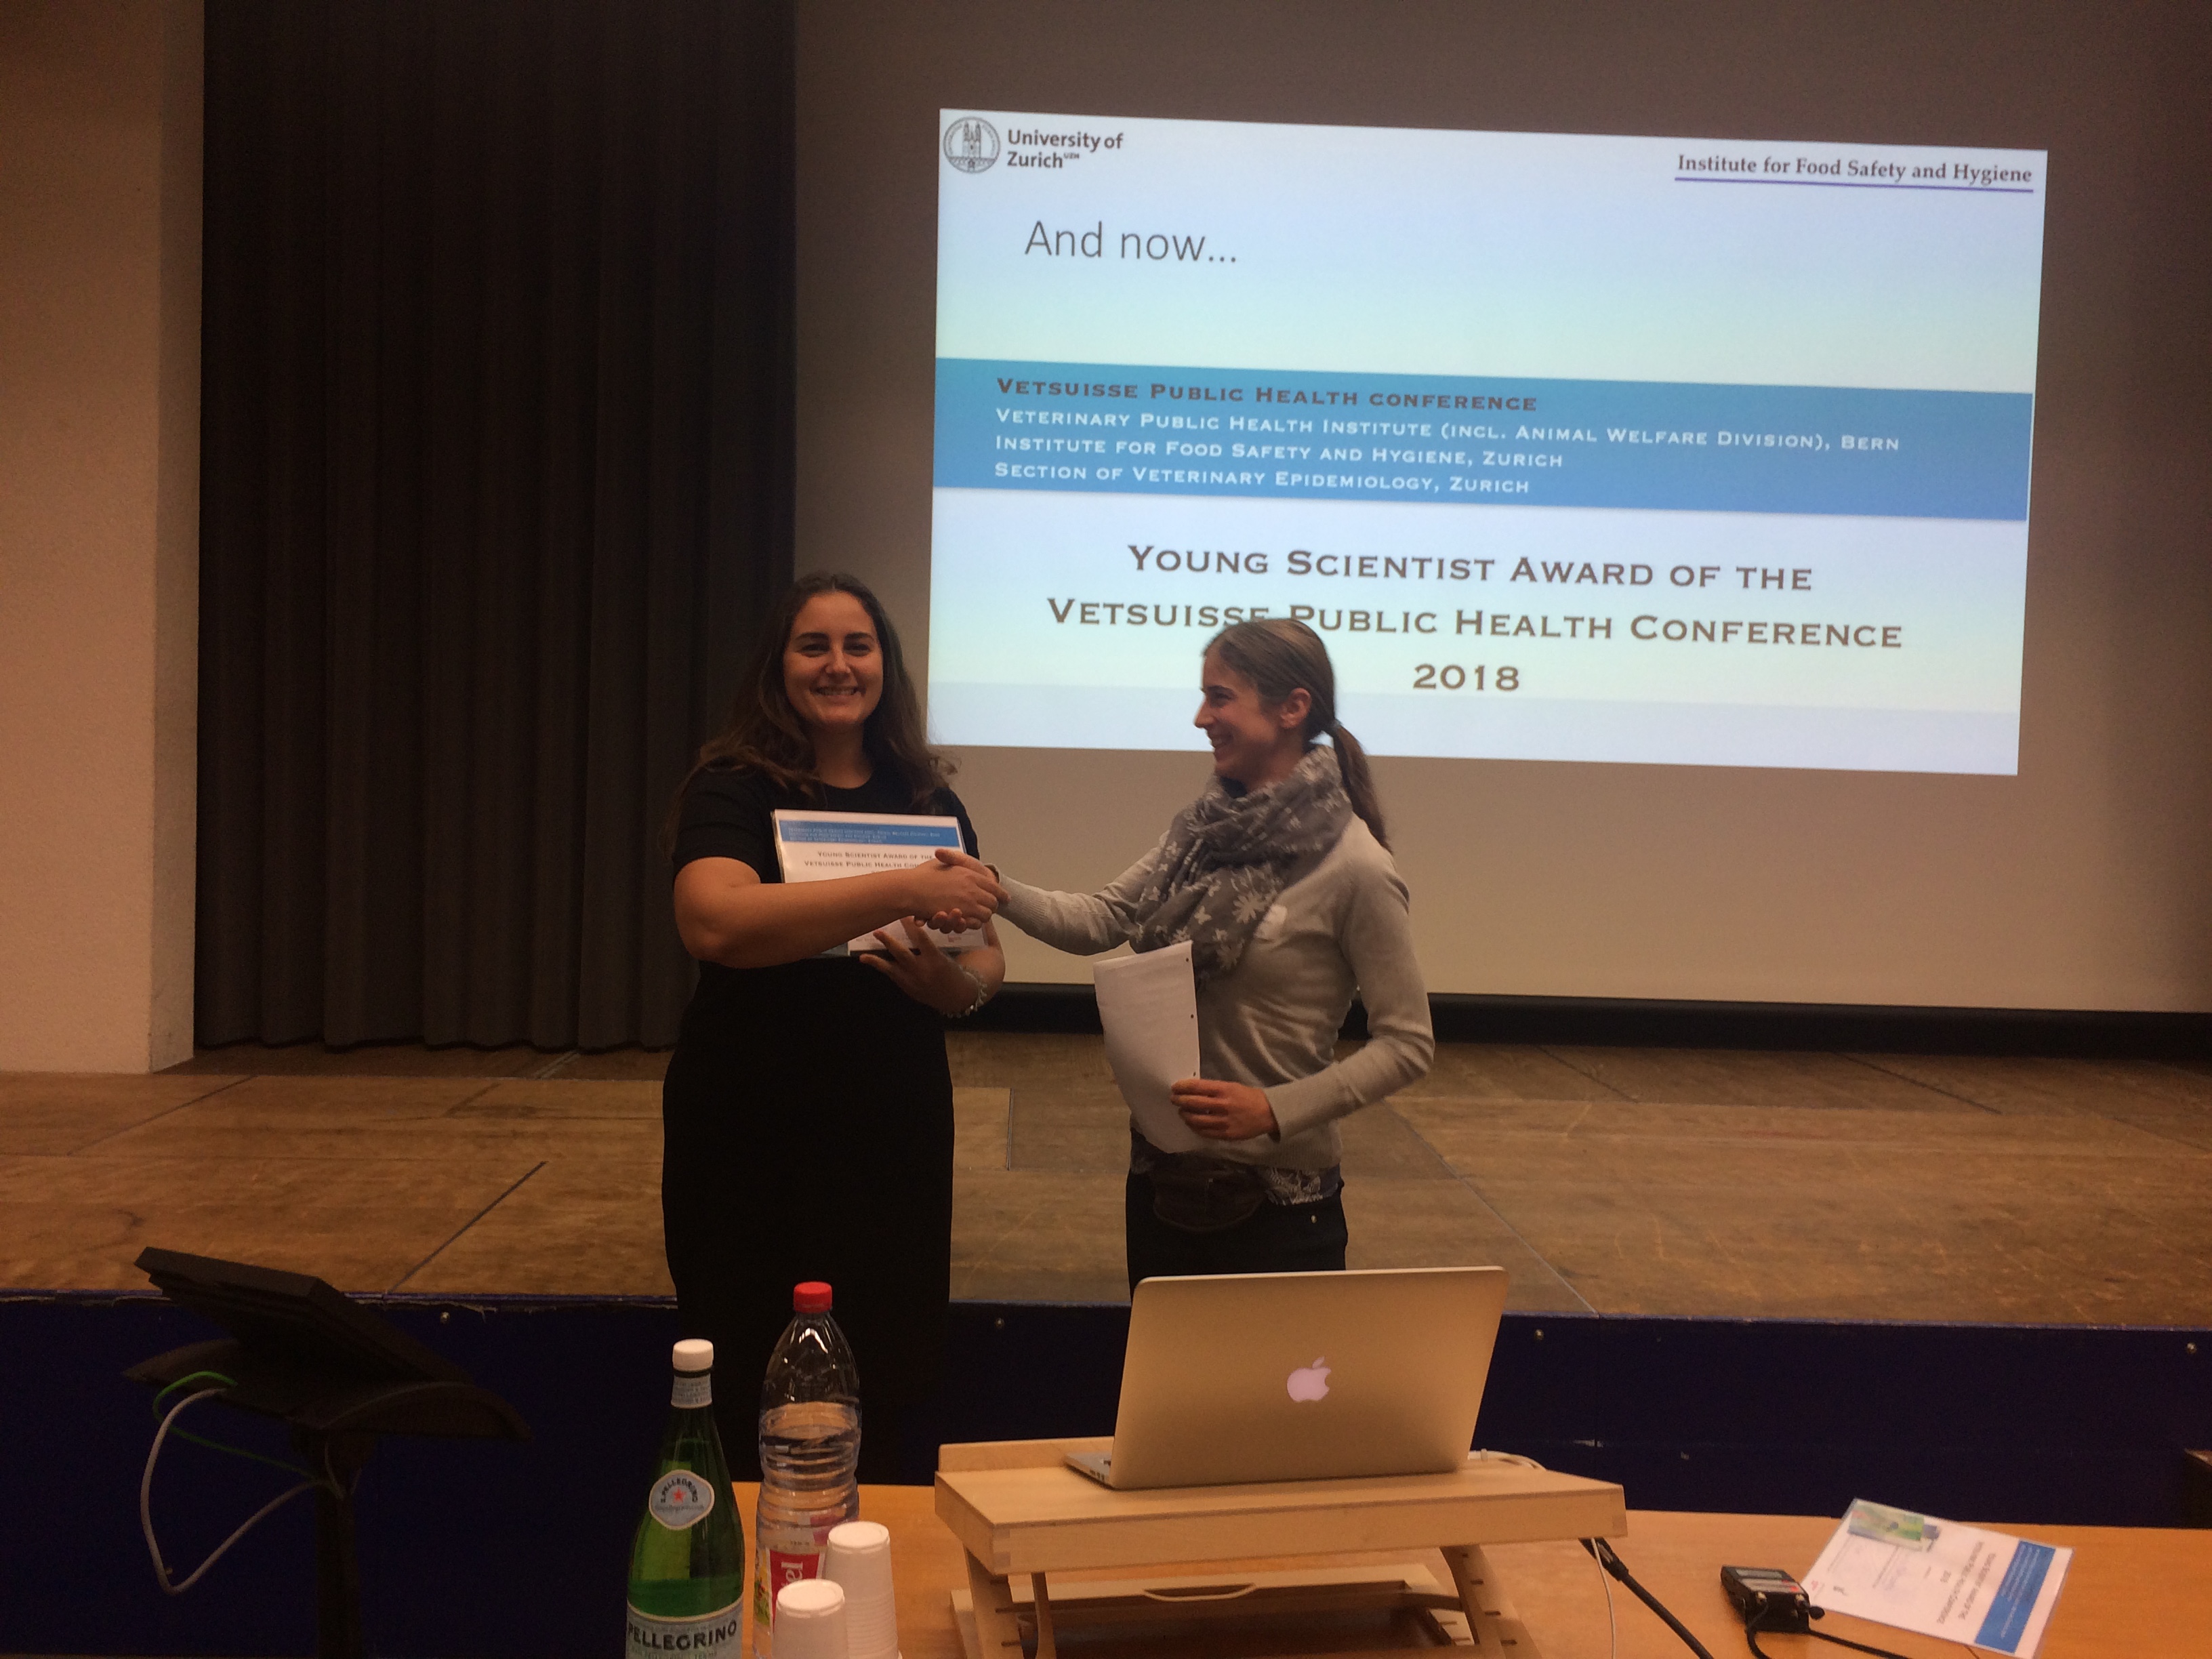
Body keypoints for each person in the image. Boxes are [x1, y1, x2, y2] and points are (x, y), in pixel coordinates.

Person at [661, 573, 1004, 1481]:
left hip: (890, 1134)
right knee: (743, 1366)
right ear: (778, 666)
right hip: (748, 1131)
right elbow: (715, 922)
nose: (838, 665)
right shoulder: (733, 787)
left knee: (883, 1369)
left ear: (886, 665)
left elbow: (984, 957)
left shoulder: (927, 799)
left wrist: (950, 987)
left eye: (859, 646)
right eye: (814, 645)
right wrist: (903, 887)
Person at [974, 617, 1432, 1285]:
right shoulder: (1201, 833)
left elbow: (1408, 1044)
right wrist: (992, 888)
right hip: (1162, 1182)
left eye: (1220, 698)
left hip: (1278, 1208)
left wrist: (1272, 1110)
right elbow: (1103, 918)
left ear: (1292, 708)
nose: (1200, 718)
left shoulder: (1357, 867)